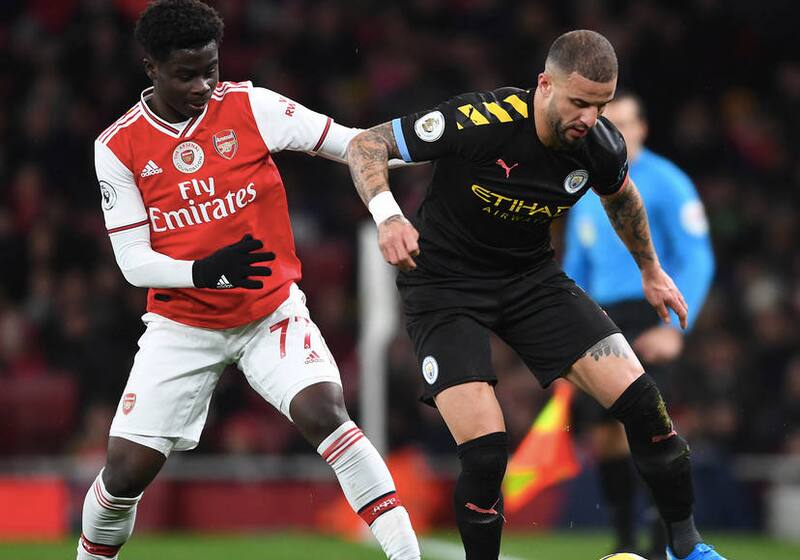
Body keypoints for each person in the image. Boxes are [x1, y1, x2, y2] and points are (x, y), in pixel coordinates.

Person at [346, 29, 726, 560]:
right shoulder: (481, 120)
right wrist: (388, 216)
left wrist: (651, 270)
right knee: (486, 454)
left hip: (529, 279)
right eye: (579, 102)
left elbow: (622, 198)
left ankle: (689, 549)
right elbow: (366, 144)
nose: (589, 118)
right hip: (444, 287)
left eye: (601, 106)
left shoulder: (600, 144)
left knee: (646, 406)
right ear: (545, 85)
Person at [77, 1, 420, 559]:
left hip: (269, 313)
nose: (202, 86)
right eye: (186, 75)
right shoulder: (118, 146)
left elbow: (356, 143)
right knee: (124, 474)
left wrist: (444, 142)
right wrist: (203, 272)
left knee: (326, 413)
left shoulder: (252, 106)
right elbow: (133, 261)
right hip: (182, 324)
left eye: (210, 70)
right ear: (151, 68)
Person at [563, 91, 715, 558]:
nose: (617, 132)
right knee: (605, 433)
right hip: (599, 315)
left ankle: (664, 539)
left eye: (626, 123)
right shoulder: (585, 184)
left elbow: (696, 258)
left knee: (651, 425)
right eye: (609, 123)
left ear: (643, 128)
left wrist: (674, 330)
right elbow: (574, 267)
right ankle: (625, 538)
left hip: (651, 312)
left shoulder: (668, 183)